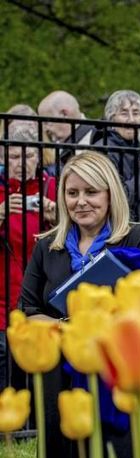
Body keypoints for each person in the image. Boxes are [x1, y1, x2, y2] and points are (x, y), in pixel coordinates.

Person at [18, 151, 140, 458]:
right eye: (72, 193)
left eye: (91, 192)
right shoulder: (47, 246)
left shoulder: (136, 238)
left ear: (110, 194)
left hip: (121, 374)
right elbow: (27, 310)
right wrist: (68, 327)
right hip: (70, 378)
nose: (81, 202)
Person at [1, 130, 57, 388]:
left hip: (39, 287)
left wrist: (56, 217)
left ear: (39, 157)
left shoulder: (50, 186)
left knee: (39, 355)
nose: (21, 162)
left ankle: (35, 422)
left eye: (29, 155)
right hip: (4, 287)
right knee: (4, 354)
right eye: (14, 156)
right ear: (4, 157)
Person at [91, 90, 140, 228]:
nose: (131, 119)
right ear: (112, 118)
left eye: (136, 113)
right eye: (124, 113)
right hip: (118, 234)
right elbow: (118, 198)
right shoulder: (103, 150)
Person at [37, 90, 94, 170]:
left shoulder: (95, 140)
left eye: (47, 121)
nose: (45, 129)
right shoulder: (57, 144)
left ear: (64, 114)